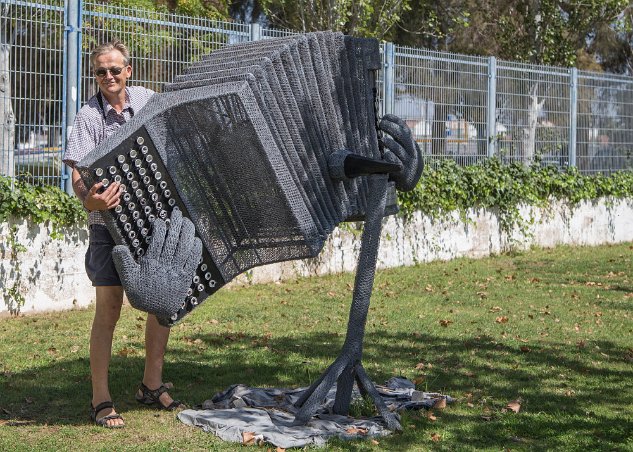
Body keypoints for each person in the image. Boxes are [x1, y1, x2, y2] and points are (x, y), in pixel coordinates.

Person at [63, 40, 182, 429]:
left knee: (162, 301)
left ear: (128, 70)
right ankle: (101, 399)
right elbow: (78, 173)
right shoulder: (88, 117)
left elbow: (173, 138)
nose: (109, 77)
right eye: (101, 72)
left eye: (115, 70)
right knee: (109, 309)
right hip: (107, 226)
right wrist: (89, 201)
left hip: (152, 221)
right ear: (94, 75)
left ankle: (151, 384)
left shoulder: (148, 100)